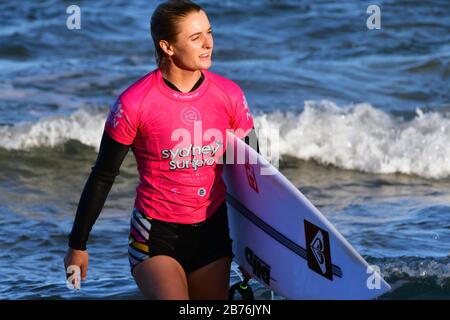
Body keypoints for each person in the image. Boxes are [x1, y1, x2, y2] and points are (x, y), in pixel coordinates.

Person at [64, 0, 259, 300]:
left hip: (214, 232)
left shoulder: (230, 95)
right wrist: (78, 245)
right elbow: (103, 175)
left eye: (209, 32)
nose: (208, 43)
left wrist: (258, 246)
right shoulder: (134, 103)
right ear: (167, 46)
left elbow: (250, 172)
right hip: (155, 234)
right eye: (195, 38)